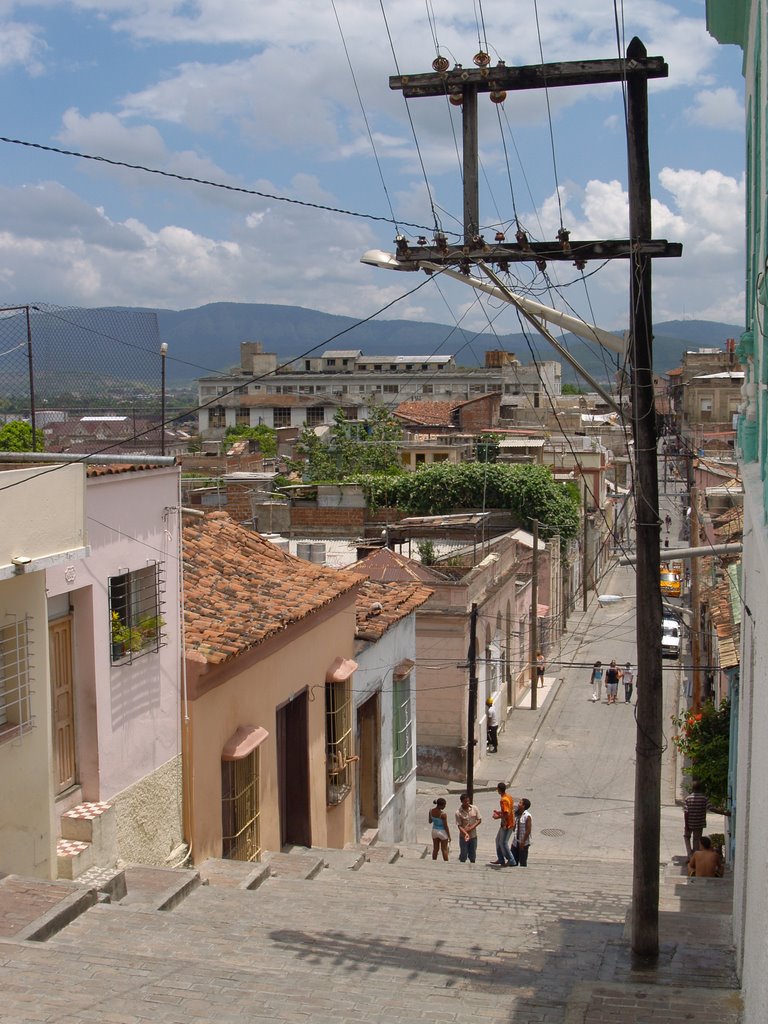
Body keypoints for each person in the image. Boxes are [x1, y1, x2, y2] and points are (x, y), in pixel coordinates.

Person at [489, 782, 516, 866]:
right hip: (508, 823)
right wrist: (499, 812)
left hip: (506, 824)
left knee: (503, 842)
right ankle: (501, 859)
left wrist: (497, 817)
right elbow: (508, 810)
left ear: (499, 790)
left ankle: (511, 860)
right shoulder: (509, 797)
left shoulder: (503, 800)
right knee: (498, 840)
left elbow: (506, 813)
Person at [683, 780, 708, 858]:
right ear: (700, 788)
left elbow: (686, 813)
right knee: (696, 840)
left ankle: (690, 855)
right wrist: (724, 813)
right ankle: (695, 857)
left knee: (686, 837)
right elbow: (711, 808)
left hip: (690, 822)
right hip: (699, 823)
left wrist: (686, 825)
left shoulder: (688, 798)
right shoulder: (704, 798)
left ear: (692, 788)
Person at [455, 792, 482, 864]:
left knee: (473, 855)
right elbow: (459, 826)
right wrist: (465, 833)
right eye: (465, 801)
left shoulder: (474, 808)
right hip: (463, 837)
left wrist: (471, 828)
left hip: (473, 836)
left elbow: (479, 820)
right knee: (463, 855)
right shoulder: (458, 812)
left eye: (468, 801)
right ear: (461, 802)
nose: (467, 803)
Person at [429, 797, 451, 861]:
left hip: (434, 831)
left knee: (435, 849)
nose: (445, 806)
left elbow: (430, 821)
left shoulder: (431, 811)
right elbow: (445, 826)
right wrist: (449, 836)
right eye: (444, 805)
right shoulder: (443, 814)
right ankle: (446, 863)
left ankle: (434, 861)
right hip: (442, 832)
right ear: (441, 805)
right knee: (444, 849)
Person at [512, 797, 532, 867]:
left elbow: (528, 830)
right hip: (515, 842)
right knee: (513, 861)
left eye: (520, 803)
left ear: (524, 806)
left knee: (522, 862)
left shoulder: (527, 816)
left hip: (523, 843)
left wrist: (523, 842)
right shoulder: (517, 814)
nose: (518, 804)